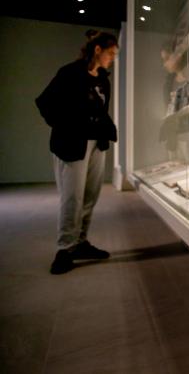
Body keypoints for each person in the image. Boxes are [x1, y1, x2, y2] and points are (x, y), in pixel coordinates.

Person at [35, 30, 118, 274]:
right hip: (72, 143)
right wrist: (66, 127)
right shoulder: (69, 73)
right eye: (111, 53)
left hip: (96, 144)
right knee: (72, 197)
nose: (112, 58)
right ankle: (64, 249)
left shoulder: (103, 79)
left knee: (90, 195)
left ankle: (80, 242)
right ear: (97, 50)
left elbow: (101, 110)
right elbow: (45, 103)